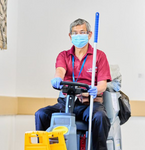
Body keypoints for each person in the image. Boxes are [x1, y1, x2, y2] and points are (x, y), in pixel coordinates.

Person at [35, 18, 112, 150]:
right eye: (75, 33)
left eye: (82, 32)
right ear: (70, 36)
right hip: (66, 102)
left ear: (89, 35)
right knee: (41, 114)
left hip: (89, 104)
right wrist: (57, 78)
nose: (78, 36)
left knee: (100, 117)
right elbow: (60, 70)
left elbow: (102, 84)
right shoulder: (64, 55)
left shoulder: (98, 56)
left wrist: (95, 89)